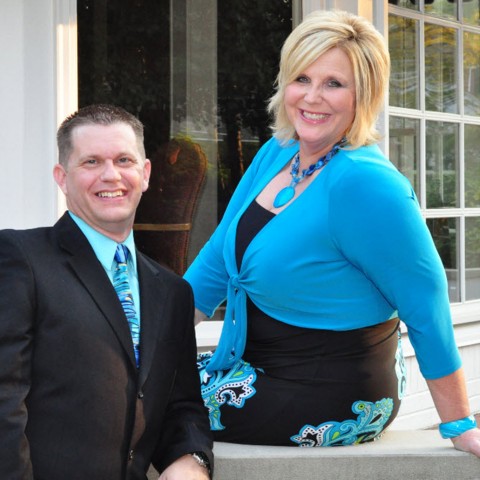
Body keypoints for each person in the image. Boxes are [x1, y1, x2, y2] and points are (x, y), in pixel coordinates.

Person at [184, 10, 480, 455]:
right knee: (130, 377)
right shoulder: (278, 151)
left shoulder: (366, 184)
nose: (312, 97)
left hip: (334, 392)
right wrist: (146, 340)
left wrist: (459, 423)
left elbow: (426, 301)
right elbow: (216, 259)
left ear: (364, 95)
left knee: (148, 402)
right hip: (255, 365)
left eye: (334, 84)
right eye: (302, 78)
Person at [0, 104, 213, 479]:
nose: (111, 175)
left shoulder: (173, 292)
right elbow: (4, 396)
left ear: (145, 174)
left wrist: (192, 459)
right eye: (91, 162)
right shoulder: (21, 259)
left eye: (124, 160)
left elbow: (181, 406)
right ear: (62, 178)